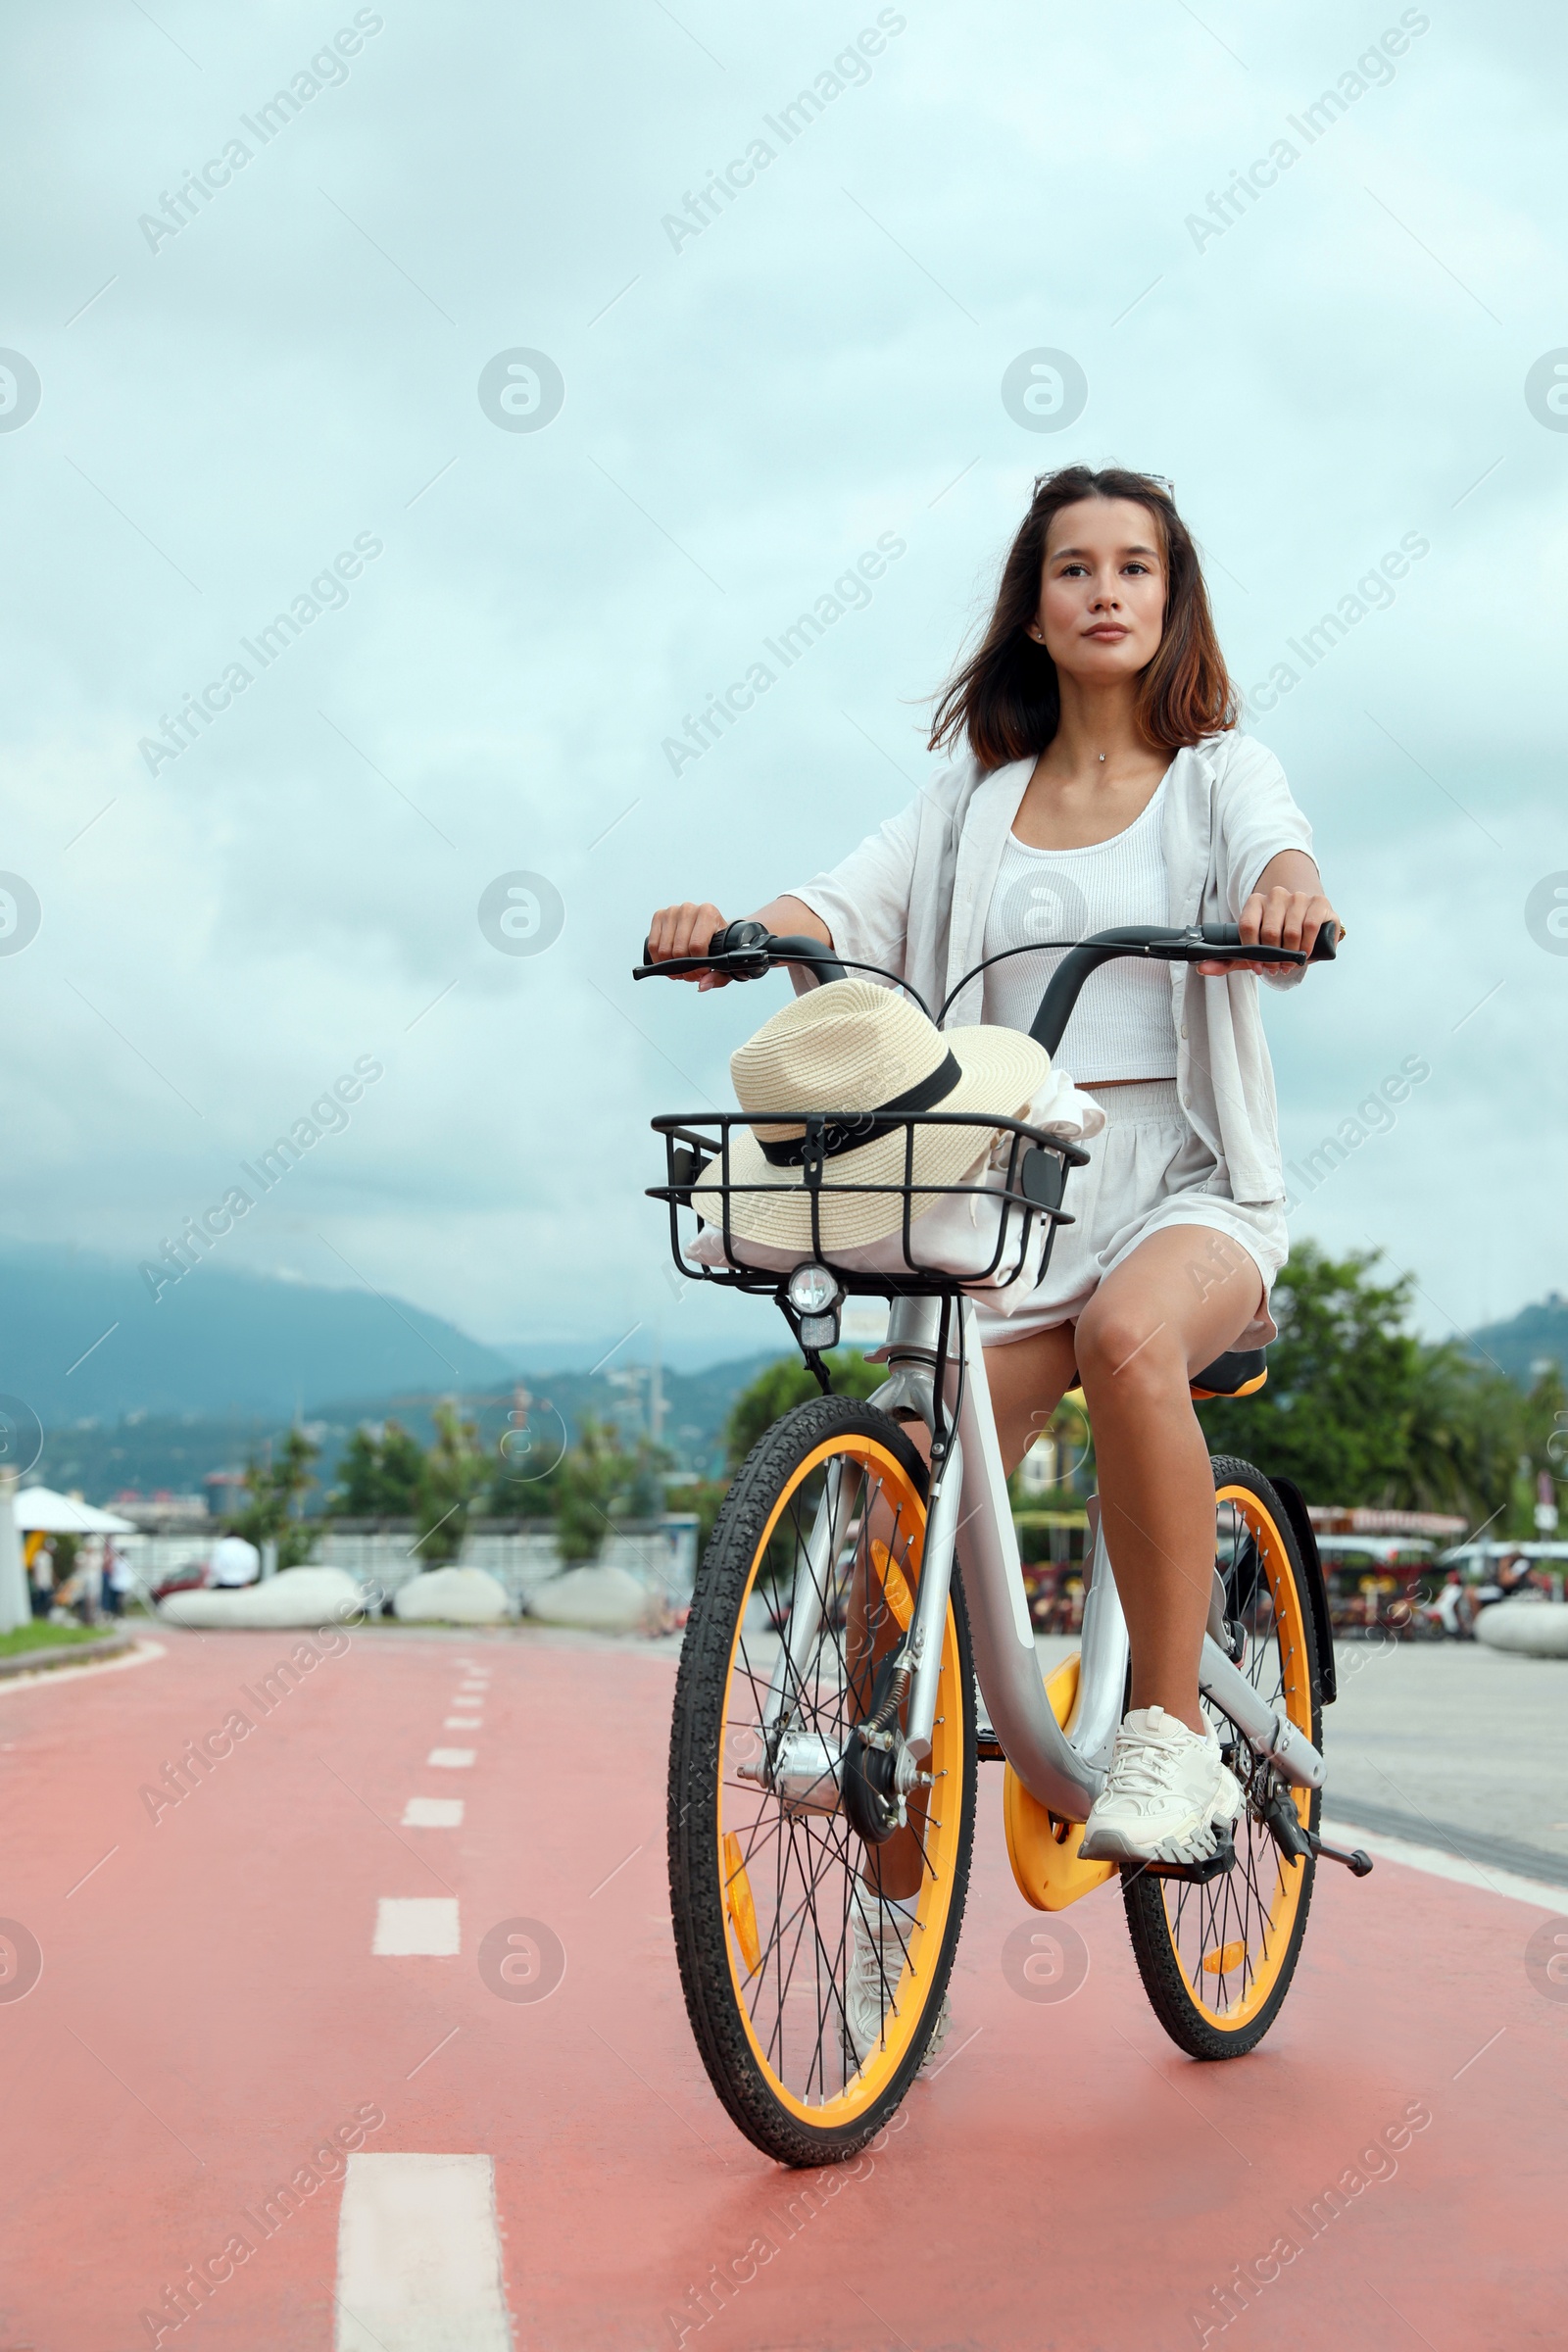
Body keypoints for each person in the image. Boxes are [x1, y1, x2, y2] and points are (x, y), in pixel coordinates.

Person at [647, 466, 1341, 2033]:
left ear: (1172, 601)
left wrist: (1291, 899)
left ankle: (1166, 1731)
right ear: (1033, 604)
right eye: (1074, 567)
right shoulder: (967, 807)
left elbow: (1281, 862)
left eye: (1136, 568)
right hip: (1016, 1196)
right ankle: (894, 1851)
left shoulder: (1222, 776)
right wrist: (738, 932)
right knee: (907, 1477)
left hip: (1193, 1189)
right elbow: (838, 902)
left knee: (1131, 1345)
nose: (1106, 590)